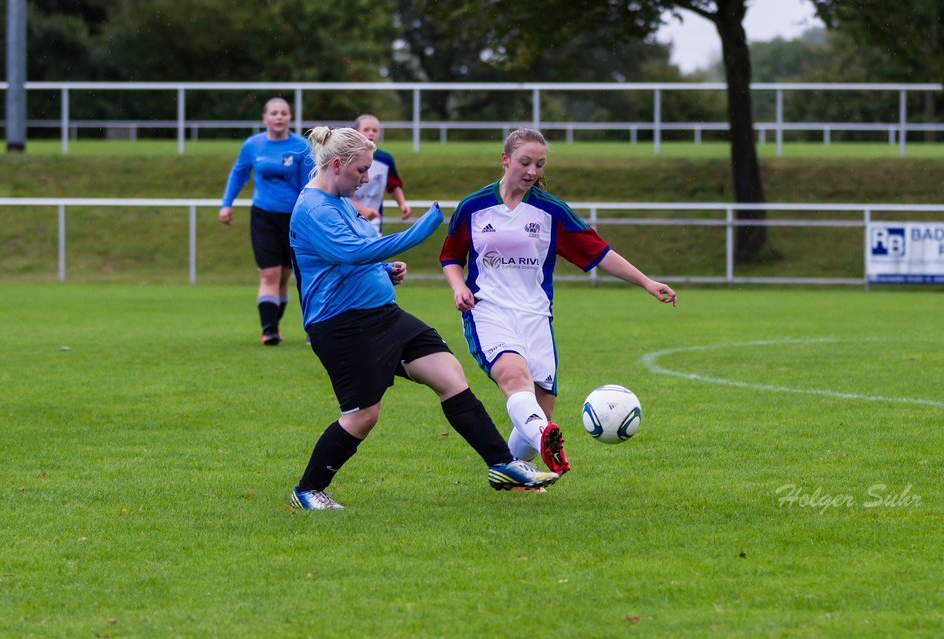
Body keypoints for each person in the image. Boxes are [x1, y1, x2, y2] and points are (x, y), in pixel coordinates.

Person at [288, 125, 559, 510]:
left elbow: (354, 255)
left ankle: (503, 464)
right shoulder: (313, 209)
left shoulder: (339, 201)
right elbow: (351, 253)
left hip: (384, 315)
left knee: (450, 376)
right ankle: (307, 490)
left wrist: (384, 269)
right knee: (363, 415)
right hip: (343, 325)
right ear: (336, 165)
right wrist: (420, 231)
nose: (367, 179)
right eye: (362, 170)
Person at [440, 127, 678, 475]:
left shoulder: (551, 211)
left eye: (539, 164)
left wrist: (645, 281)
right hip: (487, 309)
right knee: (514, 378)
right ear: (505, 159)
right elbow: (450, 257)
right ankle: (545, 439)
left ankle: (508, 469)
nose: (533, 171)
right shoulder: (474, 207)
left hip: (536, 316)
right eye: (525, 162)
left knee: (541, 407)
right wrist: (458, 287)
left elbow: (599, 253)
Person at [218, 98, 311, 345]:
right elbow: (238, 175)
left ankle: (285, 325)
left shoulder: (301, 146)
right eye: (274, 113)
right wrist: (226, 204)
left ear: (290, 118)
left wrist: (312, 215)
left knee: (285, 277)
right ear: (265, 118)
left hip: (294, 220)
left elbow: (307, 185)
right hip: (263, 216)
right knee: (269, 274)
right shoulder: (252, 145)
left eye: (283, 113)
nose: (279, 117)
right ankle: (269, 331)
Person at [350, 113, 411, 234]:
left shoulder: (385, 159)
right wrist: (362, 210)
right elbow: (336, 193)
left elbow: (393, 186)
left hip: (373, 221)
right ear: (355, 132)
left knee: (373, 251)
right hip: (346, 219)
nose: (371, 133)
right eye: (366, 129)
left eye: (375, 130)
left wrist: (402, 204)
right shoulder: (346, 158)